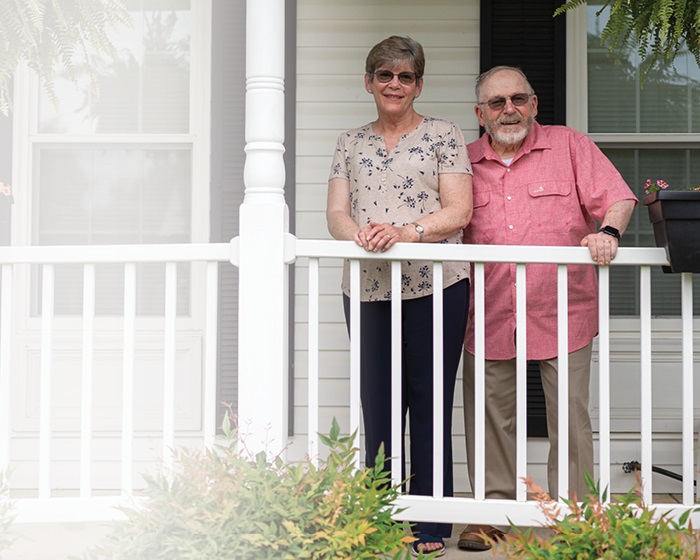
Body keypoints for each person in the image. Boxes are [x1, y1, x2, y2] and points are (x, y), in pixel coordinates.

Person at [458, 66, 638, 552]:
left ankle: (573, 517)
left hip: (564, 308)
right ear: (480, 114)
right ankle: (490, 515)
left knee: (570, 419)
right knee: (489, 418)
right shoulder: (462, 160)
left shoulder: (570, 146)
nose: (508, 109)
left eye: (518, 99)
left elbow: (619, 198)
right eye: (496, 103)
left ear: (535, 104)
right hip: (489, 309)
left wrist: (608, 232)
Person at [326, 35, 473, 557]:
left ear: (418, 85)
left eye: (405, 76)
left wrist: (405, 231)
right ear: (369, 82)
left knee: (430, 403)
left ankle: (432, 523)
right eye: (384, 75)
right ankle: (380, 519)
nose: (394, 84)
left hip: (437, 286)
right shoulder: (350, 141)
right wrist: (359, 236)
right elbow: (337, 214)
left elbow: (459, 211)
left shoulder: (444, 135)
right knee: (379, 404)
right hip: (368, 290)